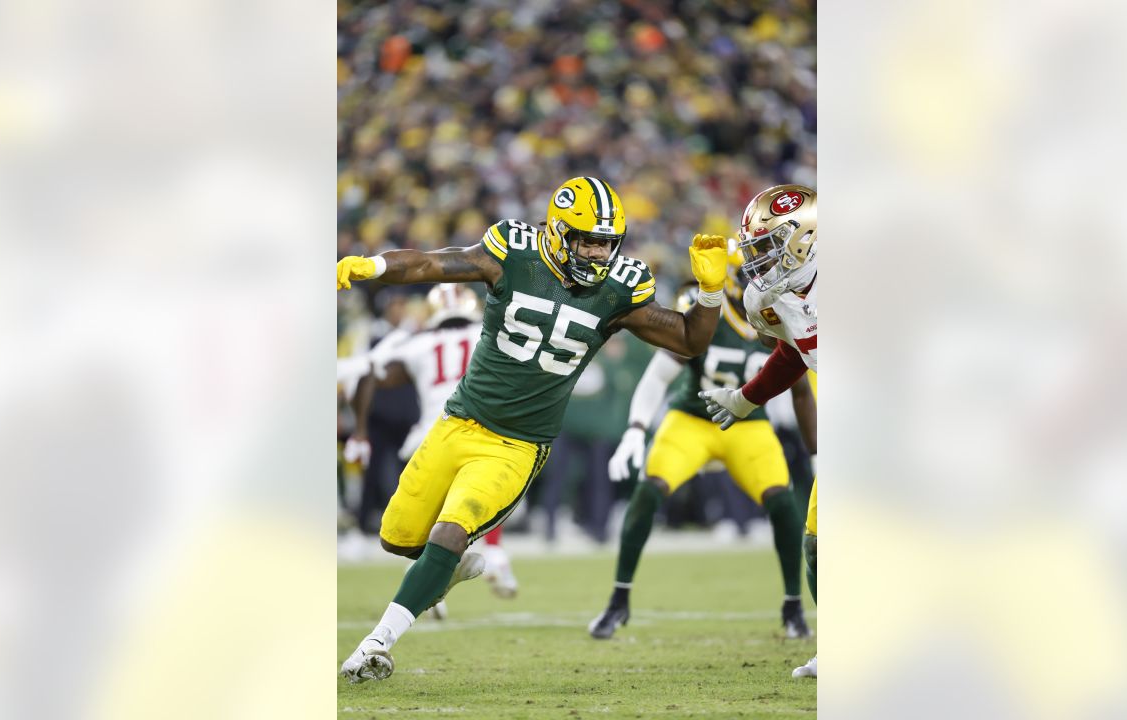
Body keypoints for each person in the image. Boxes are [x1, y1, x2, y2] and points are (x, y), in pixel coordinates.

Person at [336, 176, 731, 682]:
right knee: (397, 539)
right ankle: (447, 569)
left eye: (607, 243)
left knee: (449, 533)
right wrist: (373, 266)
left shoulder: (618, 290)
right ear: (558, 231)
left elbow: (689, 341)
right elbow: (431, 263)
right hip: (458, 422)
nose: (598, 252)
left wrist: (712, 293)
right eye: (587, 239)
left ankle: (376, 644)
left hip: (518, 445)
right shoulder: (514, 252)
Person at [589, 245, 817, 641]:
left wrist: (816, 454)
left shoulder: (786, 312)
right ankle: (618, 600)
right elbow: (659, 375)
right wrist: (636, 429)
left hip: (748, 425)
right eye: (751, 272)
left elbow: (800, 391)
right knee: (650, 488)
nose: (760, 279)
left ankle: (793, 605)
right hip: (692, 419)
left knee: (782, 500)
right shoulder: (708, 310)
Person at [699, 185, 819, 678]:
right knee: (818, 542)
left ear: (803, 239)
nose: (759, 263)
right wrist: (746, 398)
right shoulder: (773, 296)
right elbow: (795, 353)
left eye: (768, 248)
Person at [348, 284, 519, 602]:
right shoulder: (492, 333)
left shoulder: (419, 343)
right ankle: (494, 552)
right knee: (498, 488)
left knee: (430, 526)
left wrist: (359, 431)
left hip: (428, 437)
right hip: (479, 430)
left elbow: (370, 374)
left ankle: (424, 582)